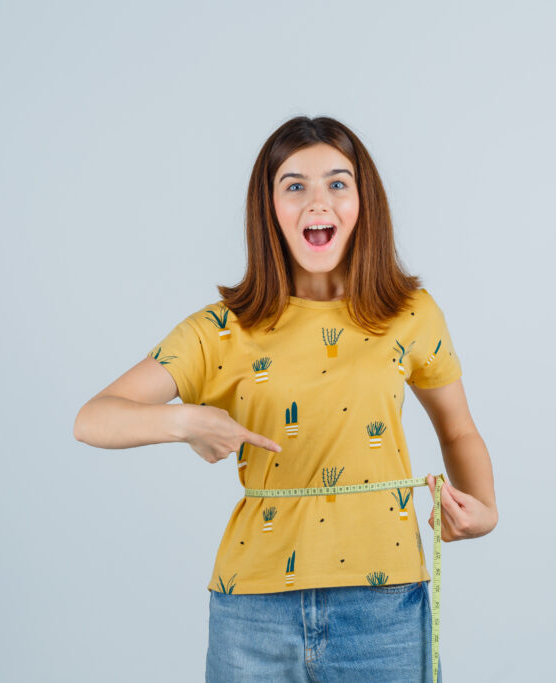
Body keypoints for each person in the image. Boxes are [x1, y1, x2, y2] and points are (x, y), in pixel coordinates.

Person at [73, 115, 497, 682]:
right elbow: (93, 419)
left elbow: (457, 429)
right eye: (294, 185)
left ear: (363, 203)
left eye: (337, 183)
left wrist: (485, 511)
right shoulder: (224, 329)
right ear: (268, 207)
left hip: (385, 607)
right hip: (254, 609)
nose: (316, 201)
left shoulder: (410, 315)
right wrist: (187, 422)